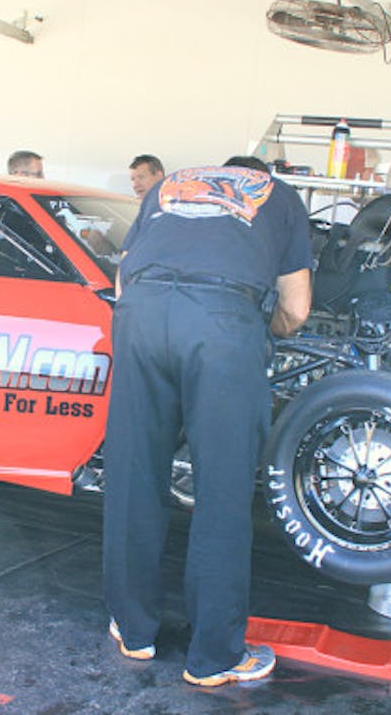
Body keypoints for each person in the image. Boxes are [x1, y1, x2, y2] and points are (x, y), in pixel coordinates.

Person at [102, 155, 312, 686]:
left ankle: (134, 630)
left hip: (141, 315)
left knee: (134, 474)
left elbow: (124, 277)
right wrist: (265, 329)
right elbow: (298, 308)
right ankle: (214, 657)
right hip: (220, 321)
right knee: (221, 488)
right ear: (260, 174)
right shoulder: (280, 195)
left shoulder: (172, 185)